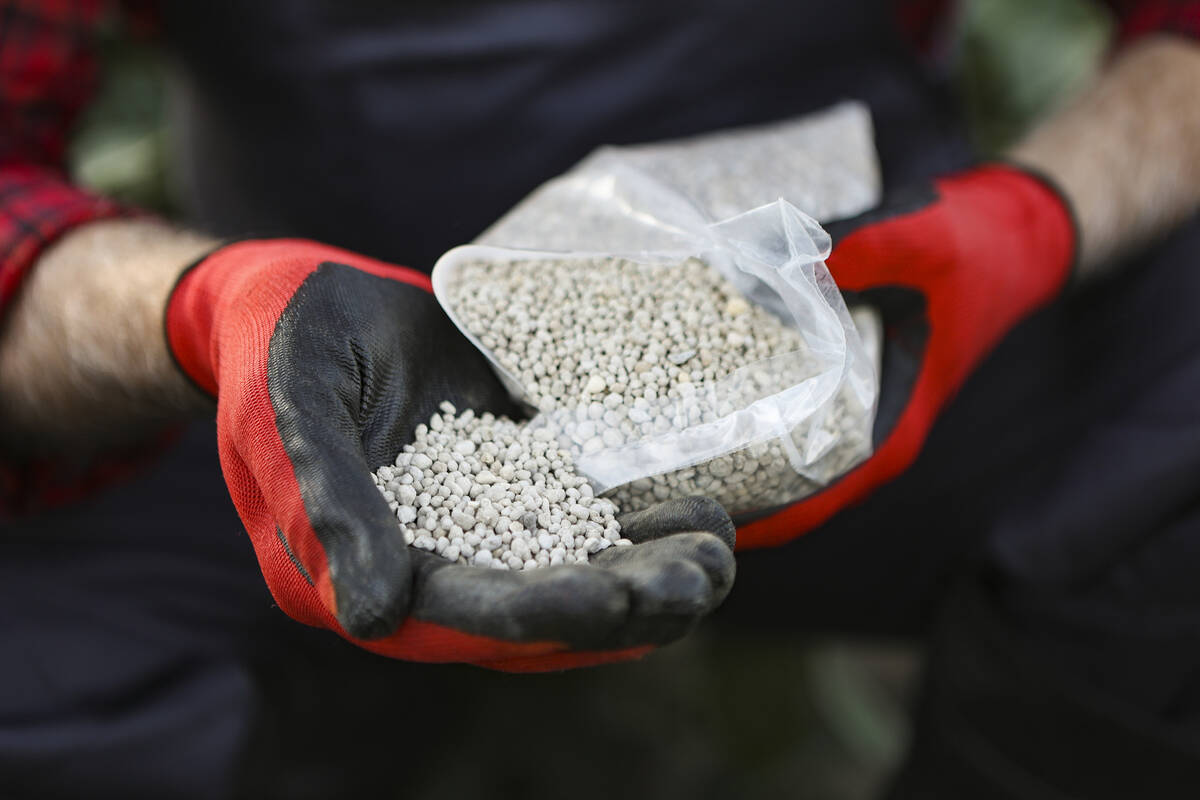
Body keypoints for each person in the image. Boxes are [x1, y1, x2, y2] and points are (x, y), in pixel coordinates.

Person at [0, 0, 1197, 797]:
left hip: (876, 341)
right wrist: (200, 307)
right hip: (328, 400)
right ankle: (344, 716)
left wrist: (1038, 216)